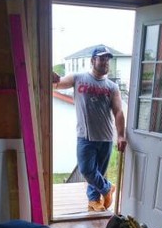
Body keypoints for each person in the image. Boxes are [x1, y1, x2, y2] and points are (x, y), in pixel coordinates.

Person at [52, 45, 127, 212]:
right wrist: (52, 78)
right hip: (84, 136)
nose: (105, 62)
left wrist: (120, 135)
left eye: (107, 59)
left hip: (106, 137)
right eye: (101, 58)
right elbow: (59, 84)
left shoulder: (112, 87)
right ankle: (108, 188)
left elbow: (119, 112)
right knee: (86, 169)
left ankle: (94, 201)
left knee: (99, 171)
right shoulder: (79, 78)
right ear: (93, 60)